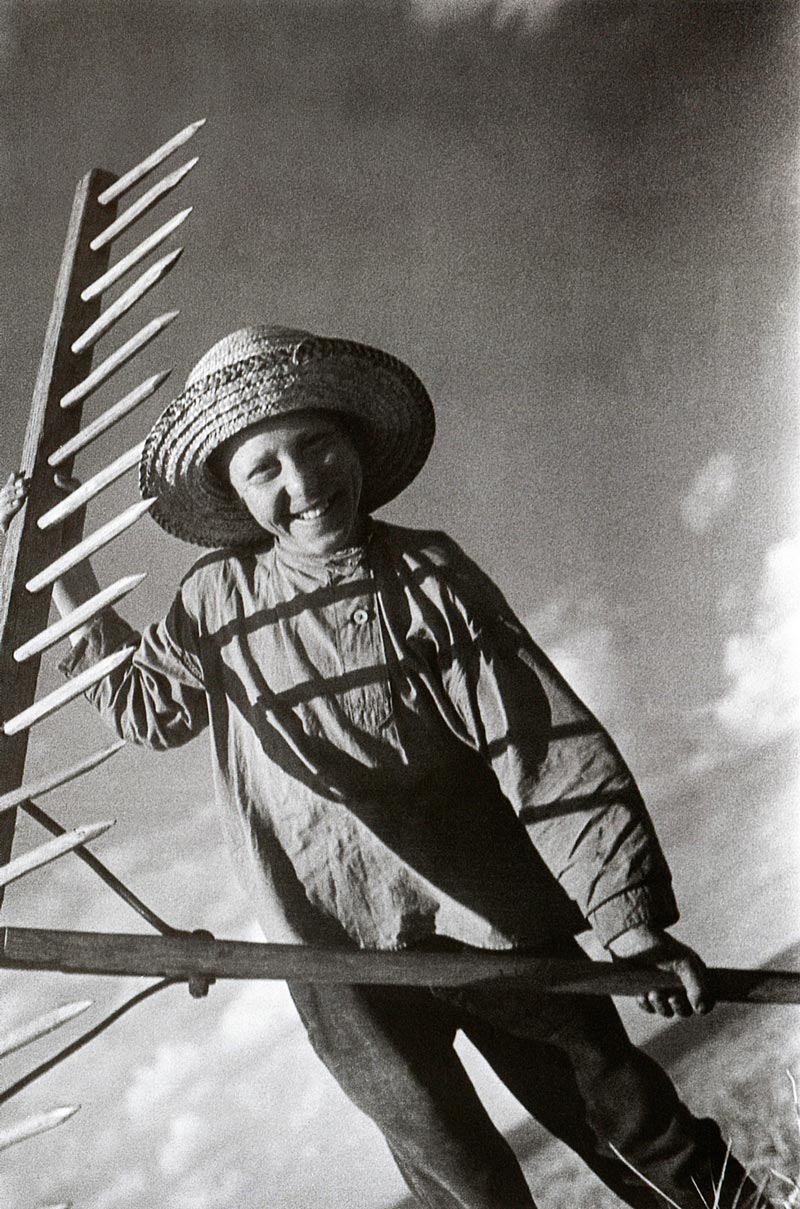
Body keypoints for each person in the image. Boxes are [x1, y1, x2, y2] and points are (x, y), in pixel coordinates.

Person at [0, 326, 764, 1208]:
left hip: (492, 922)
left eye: (317, 444)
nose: (303, 482)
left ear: (355, 441)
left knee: (632, 1124)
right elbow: (148, 709)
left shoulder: (428, 573)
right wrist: (64, 572)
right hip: (335, 963)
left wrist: (626, 916)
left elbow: (543, 744)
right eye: (265, 469)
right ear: (235, 496)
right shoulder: (215, 599)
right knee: (465, 1186)